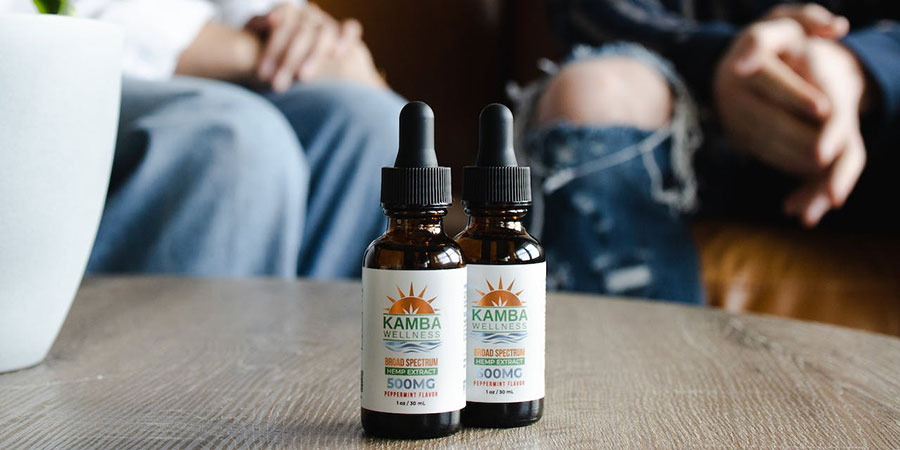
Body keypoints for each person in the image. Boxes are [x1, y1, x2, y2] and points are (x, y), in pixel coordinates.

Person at [521, 1, 900, 302]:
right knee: (596, 91)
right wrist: (721, 58)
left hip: (874, 148)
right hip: (685, 132)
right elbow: (591, 11)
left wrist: (855, 67)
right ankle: (638, 386)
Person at [1, 0, 404, 278]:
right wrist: (251, 52)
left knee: (372, 124)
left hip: (216, 51)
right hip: (51, 51)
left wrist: (300, 34)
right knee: (235, 141)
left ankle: (302, 390)